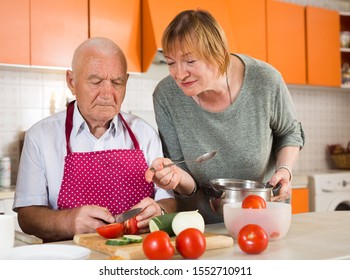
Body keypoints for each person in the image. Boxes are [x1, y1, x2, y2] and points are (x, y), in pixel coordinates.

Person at [145, 10, 305, 224]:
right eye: (171, 62)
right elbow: (184, 175)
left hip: (263, 215)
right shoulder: (166, 96)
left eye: (190, 61)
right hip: (201, 226)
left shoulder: (264, 80)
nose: (180, 74)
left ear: (218, 53)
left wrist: (284, 170)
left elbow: (290, 133)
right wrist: (173, 177)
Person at [13, 37, 176, 241]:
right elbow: (27, 216)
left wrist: (159, 211)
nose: (107, 94)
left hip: (136, 255)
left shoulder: (145, 134)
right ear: (72, 82)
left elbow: (168, 201)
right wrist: (67, 221)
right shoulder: (40, 136)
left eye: (117, 82)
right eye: (96, 81)